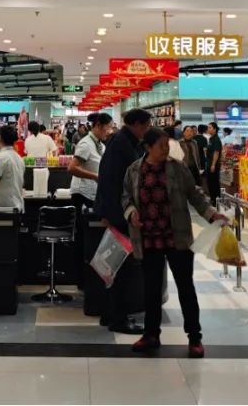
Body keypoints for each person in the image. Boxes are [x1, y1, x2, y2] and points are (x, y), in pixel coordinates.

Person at [123, 128, 227, 358]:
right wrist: (131, 213)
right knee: (151, 290)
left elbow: (195, 194)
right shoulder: (134, 170)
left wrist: (211, 214)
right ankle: (151, 334)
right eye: (161, 146)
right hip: (148, 238)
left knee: (185, 287)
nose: (166, 150)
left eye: (167, 145)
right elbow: (126, 197)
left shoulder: (177, 168)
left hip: (176, 236)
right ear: (148, 147)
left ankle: (195, 337)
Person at [94, 108, 153, 335]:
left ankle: (109, 313)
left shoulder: (122, 141)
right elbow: (113, 181)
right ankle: (118, 318)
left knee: (115, 265)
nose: (147, 130)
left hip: (117, 211)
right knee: (121, 267)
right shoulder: (122, 144)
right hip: (120, 213)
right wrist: (111, 214)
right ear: (137, 124)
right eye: (146, 125)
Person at [69, 112, 113, 209]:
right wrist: (94, 176)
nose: (110, 131)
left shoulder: (101, 145)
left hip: (92, 192)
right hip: (81, 193)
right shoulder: (86, 144)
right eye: (109, 127)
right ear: (98, 125)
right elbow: (72, 168)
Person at [205, 122, 223, 204]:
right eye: (208, 127)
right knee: (210, 182)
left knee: (214, 183)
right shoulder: (211, 139)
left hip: (213, 165)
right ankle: (213, 198)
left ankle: (216, 200)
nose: (208, 129)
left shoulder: (216, 139)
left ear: (215, 129)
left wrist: (213, 164)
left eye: (210, 127)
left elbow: (216, 152)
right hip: (209, 163)